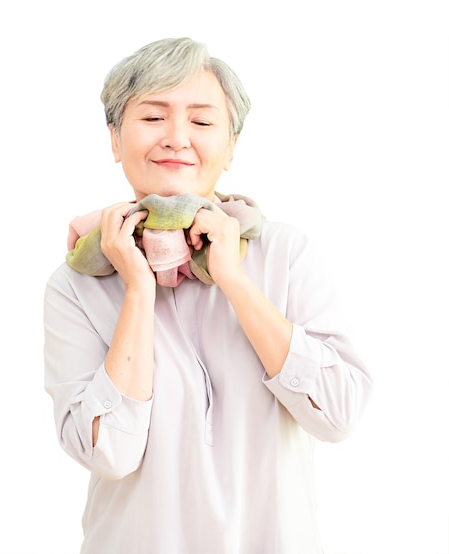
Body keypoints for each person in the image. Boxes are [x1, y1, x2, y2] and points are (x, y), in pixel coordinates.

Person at [43, 37, 373, 554]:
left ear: (232, 145)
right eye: (153, 118)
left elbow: (339, 415)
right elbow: (110, 453)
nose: (177, 138)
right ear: (114, 139)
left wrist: (236, 281)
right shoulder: (76, 285)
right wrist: (135, 288)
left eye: (201, 122)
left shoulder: (286, 253)